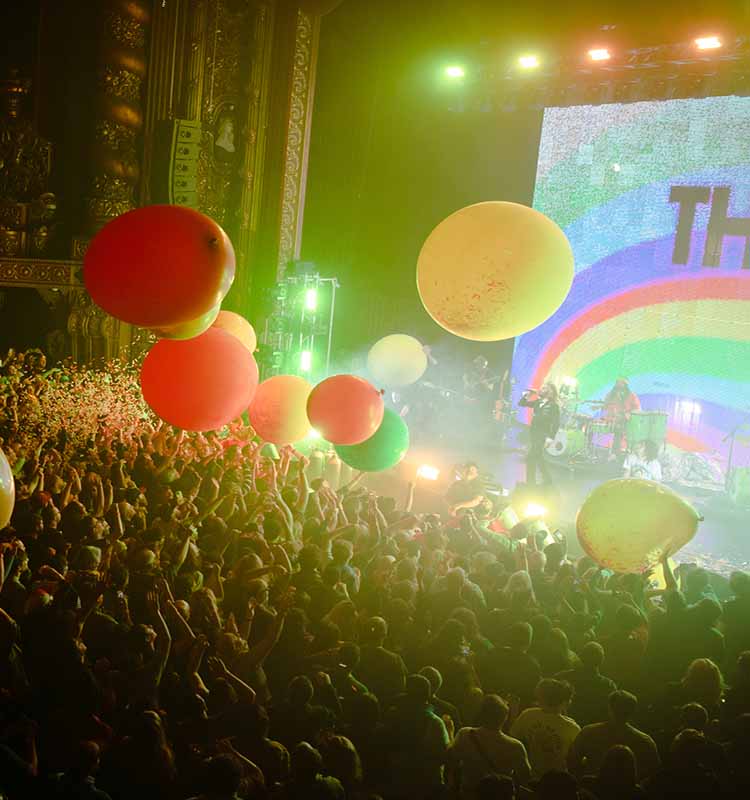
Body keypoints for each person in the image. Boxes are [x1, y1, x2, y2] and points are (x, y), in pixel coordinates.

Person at [448, 694, 531, 798]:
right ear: (505, 717)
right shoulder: (515, 746)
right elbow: (525, 776)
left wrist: (450, 732)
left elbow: (451, 759)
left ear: (481, 714)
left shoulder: (465, 734)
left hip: (470, 795)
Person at [567, 691, 660, 782]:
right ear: (632, 711)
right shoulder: (644, 740)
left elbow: (572, 760)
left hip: (593, 789)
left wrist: (583, 781)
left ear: (610, 708)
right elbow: (652, 772)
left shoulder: (589, 732)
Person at [510, 678, 581, 779]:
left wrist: (513, 712)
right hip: (559, 778)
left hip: (531, 776)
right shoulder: (572, 727)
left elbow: (512, 738)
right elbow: (576, 758)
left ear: (541, 697)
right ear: (565, 701)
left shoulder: (528, 715)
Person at [519, 383, 560, 486]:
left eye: (544, 388)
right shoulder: (537, 402)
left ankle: (530, 483)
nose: (541, 389)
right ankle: (548, 479)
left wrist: (550, 438)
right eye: (541, 387)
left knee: (531, 458)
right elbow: (521, 403)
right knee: (538, 457)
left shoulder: (553, 406)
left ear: (550, 392)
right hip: (533, 433)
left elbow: (556, 423)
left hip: (543, 434)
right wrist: (527, 394)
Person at [603, 377, 640, 459]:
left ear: (626, 385)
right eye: (617, 383)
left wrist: (627, 414)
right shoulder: (610, 395)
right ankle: (614, 453)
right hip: (611, 419)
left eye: (621, 383)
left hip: (625, 421)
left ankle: (615, 453)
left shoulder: (631, 395)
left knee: (619, 431)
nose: (619, 385)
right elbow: (605, 406)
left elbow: (637, 408)